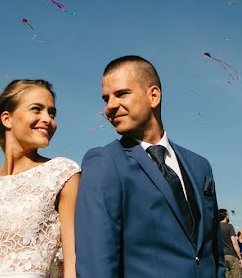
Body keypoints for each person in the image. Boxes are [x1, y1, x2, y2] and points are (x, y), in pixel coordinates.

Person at [75, 55, 223, 277]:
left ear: (153, 95)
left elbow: (214, 253)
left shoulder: (200, 166)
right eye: (106, 99)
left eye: (122, 94)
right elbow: (96, 265)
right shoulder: (104, 163)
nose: (110, 106)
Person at [0, 79, 80, 278]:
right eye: (37, 109)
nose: (48, 119)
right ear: (7, 119)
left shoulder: (62, 173)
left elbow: (73, 262)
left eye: (51, 113)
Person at [219, 209, 241, 278]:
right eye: (227, 214)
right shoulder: (229, 226)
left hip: (222, 256)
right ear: (225, 216)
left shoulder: (216, 227)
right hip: (232, 255)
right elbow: (234, 243)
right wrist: (240, 257)